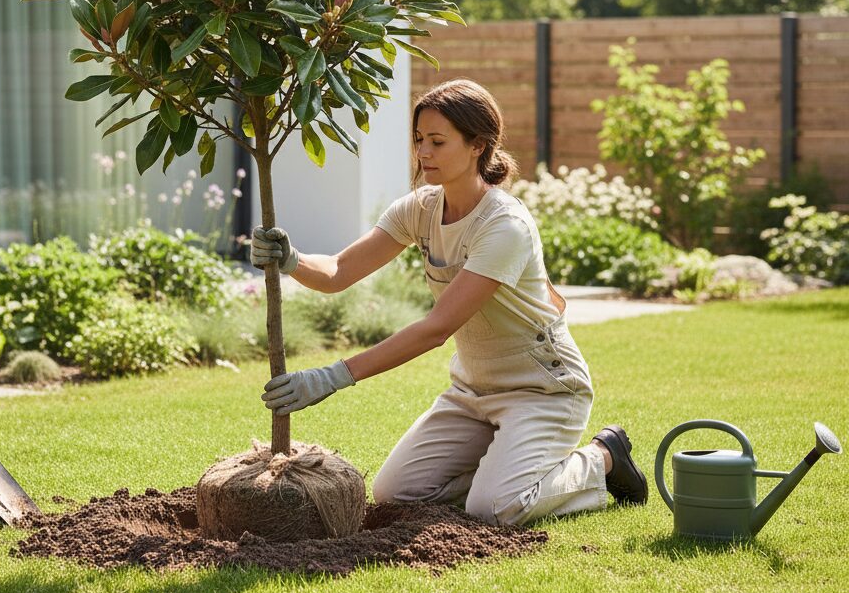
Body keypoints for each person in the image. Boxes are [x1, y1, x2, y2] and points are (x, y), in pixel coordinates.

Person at [251, 78, 648, 528]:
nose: (423, 153)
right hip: (472, 391)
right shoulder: (419, 209)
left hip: (542, 390)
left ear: (479, 145)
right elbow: (339, 272)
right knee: (396, 491)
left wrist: (333, 377)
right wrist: (292, 259)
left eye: (438, 142)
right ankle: (503, 470)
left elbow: (437, 328)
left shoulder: (504, 227)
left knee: (496, 509)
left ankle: (602, 459)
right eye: (419, 140)